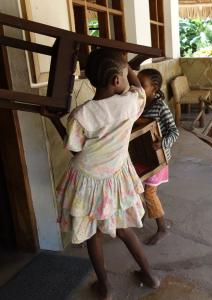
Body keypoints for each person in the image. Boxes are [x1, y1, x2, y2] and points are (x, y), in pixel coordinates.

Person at [44, 48, 159, 300]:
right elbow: (138, 88)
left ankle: (105, 286)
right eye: (123, 73)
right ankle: (149, 275)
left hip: (86, 179)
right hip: (115, 178)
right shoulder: (131, 103)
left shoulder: (81, 114)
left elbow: (74, 149)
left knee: (93, 233)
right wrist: (128, 65)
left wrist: (54, 120)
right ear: (117, 79)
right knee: (124, 229)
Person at [137, 68, 179, 245]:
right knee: (138, 188)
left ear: (154, 88)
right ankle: (144, 213)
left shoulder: (160, 107)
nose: (137, 88)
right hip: (140, 156)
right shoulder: (137, 104)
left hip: (157, 159)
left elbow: (174, 132)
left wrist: (162, 143)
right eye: (135, 84)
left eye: (141, 85)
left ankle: (162, 228)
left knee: (149, 193)